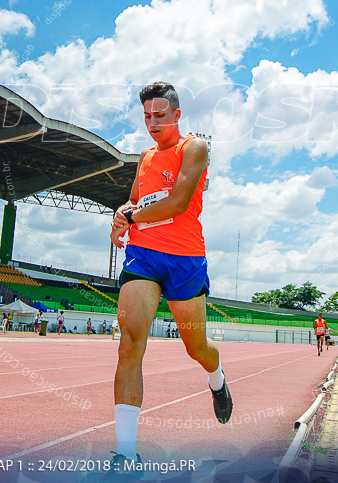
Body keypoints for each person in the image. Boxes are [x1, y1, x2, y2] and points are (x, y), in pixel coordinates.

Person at [107, 82, 232, 468]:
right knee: (129, 342)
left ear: (176, 115)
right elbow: (134, 199)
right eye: (147, 116)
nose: (152, 122)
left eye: (160, 115)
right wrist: (120, 213)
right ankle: (125, 453)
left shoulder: (194, 148)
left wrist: (132, 216)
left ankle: (217, 377)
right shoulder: (145, 156)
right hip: (142, 256)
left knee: (196, 348)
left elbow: (178, 203)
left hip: (184, 258)